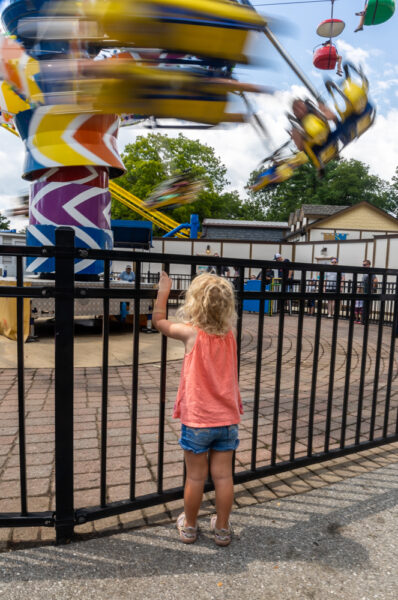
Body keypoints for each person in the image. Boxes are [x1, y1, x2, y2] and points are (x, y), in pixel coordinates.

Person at [152, 272, 242, 546]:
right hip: (226, 419)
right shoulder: (231, 335)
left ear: (194, 303)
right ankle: (223, 529)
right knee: (224, 477)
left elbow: (159, 322)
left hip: (198, 421)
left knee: (195, 476)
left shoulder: (191, 333)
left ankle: (190, 526)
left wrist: (163, 291)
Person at [361, 259, 378, 323]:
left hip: (368, 291)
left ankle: (365, 320)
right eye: (363, 265)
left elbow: (375, 280)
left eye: (364, 265)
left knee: (367, 306)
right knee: (364, 306)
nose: (363, 266)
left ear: (368, 265)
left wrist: (373, 289)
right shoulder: (365, 272)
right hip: (364, 291)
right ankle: (363, 320)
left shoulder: (371, 272)